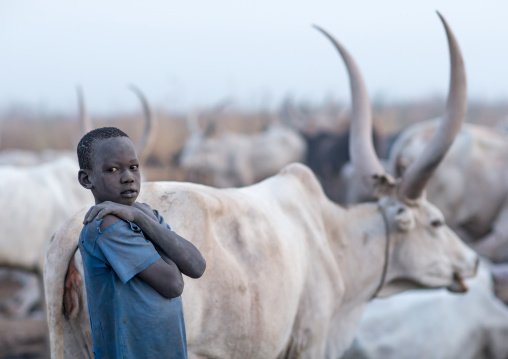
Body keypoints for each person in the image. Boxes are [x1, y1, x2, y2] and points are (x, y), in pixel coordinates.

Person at [76, 127, 206, 358]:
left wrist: (141, 218)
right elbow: (173, 285)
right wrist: (147, 223)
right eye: (113, 169)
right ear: (87, 178)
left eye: (133, 167)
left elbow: (197, 266)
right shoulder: (106, 227)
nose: (128, 177)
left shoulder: (144, 215)